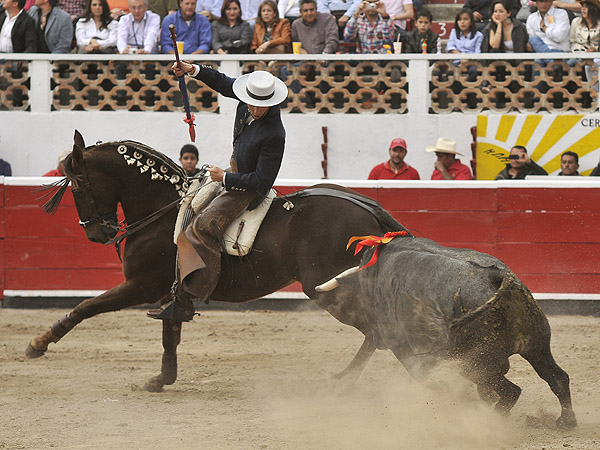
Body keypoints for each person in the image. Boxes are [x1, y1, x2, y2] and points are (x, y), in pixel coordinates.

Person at [150, 63, 288, 321]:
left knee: (203, 226)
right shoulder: (246, 100)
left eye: (261, 106)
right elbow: (222, 82)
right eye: (252, 104)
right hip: (233, 172)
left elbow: (262, 180)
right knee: (189, 206)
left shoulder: (274, 133)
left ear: (271, 102)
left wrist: (225, 178)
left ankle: (197, 291)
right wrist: (192, 69)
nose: (255, 110)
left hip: (247, 188)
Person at [446, 8, 483, 79]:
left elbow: (477, 53)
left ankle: (469, 90)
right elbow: (450, 47)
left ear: (471, 22)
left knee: (474, 71)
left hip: (472, 62)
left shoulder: (478, 35)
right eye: (460, 20)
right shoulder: (454, 32)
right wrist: (462, 57)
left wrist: (467, 60)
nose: (462, 22)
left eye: (465, 19)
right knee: (450, 72)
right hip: (457, 61)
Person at [570, 0, 600, 84]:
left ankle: (595, 93)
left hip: (596, 56)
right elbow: (572, 42)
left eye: (586, 7)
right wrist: (582, 48)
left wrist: (595, 49)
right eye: (582, 6)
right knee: (570, 63)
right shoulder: (576, 22)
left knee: (592, 63)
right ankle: (592, 92)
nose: (583, 9)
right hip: (579, 54)